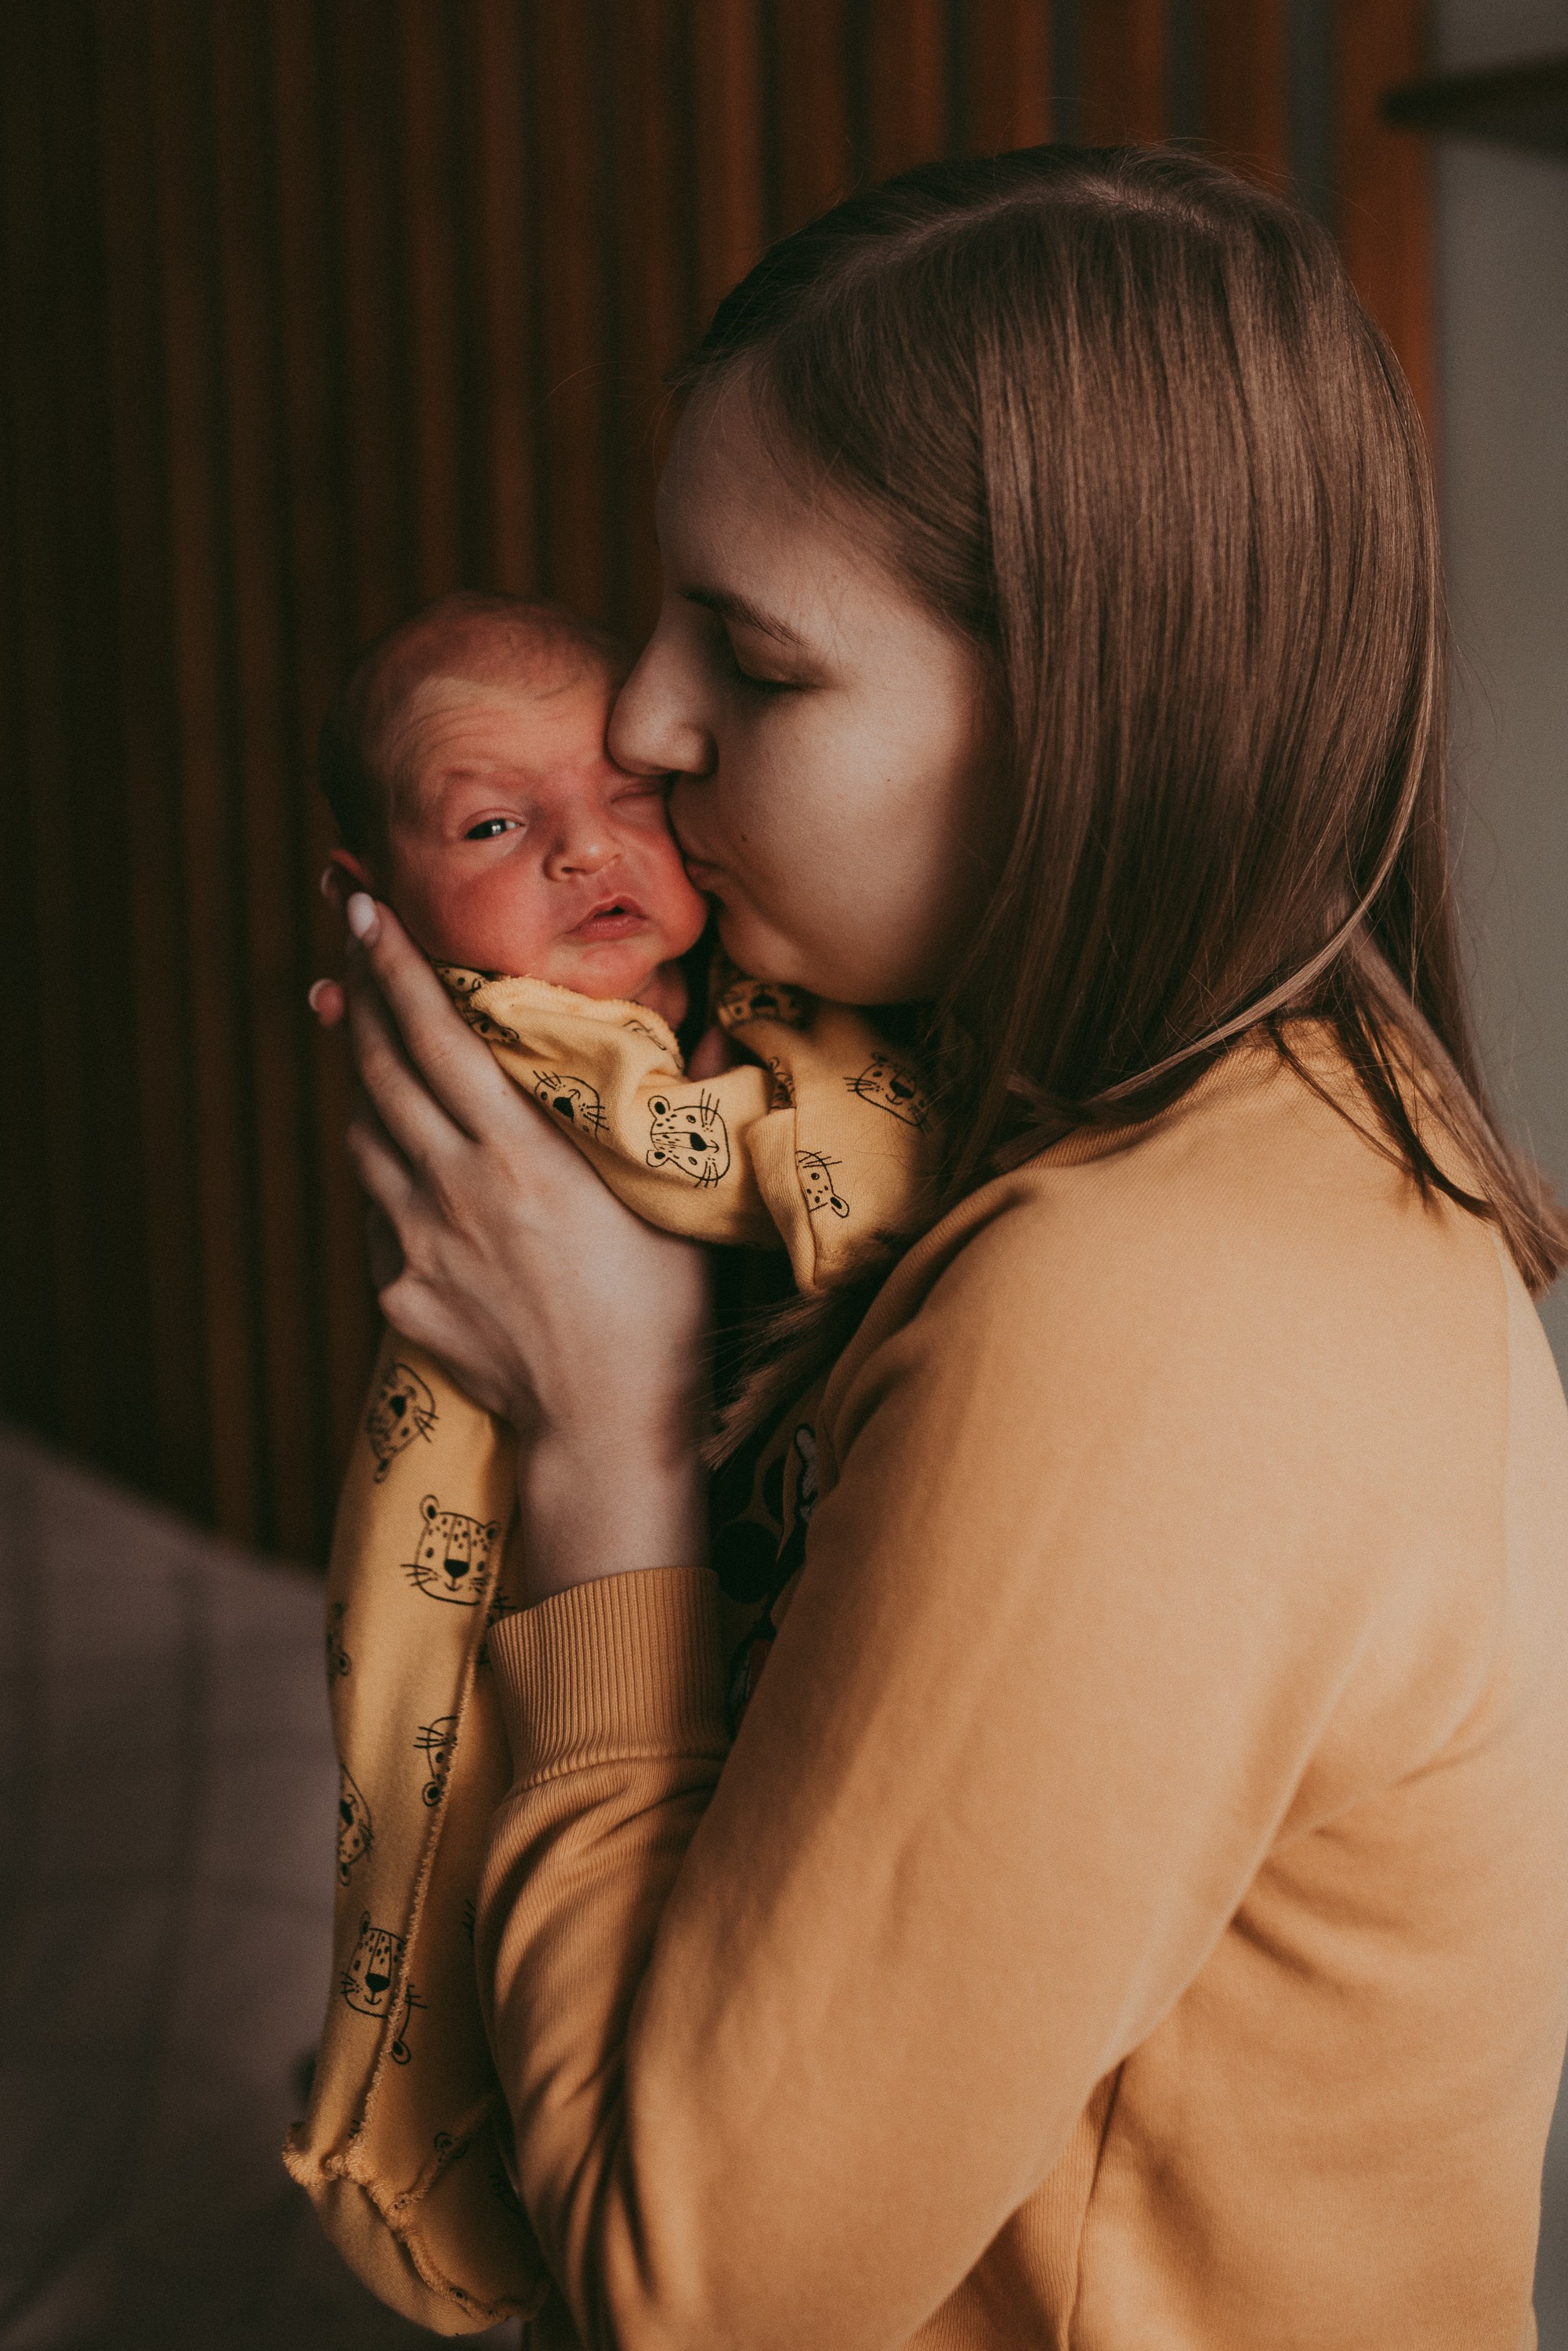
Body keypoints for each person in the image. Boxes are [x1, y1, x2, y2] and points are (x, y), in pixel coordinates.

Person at [311, 147, 1568, 2350]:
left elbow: (700, 2305)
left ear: (1088, 719)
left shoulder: (1153, 1321)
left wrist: (597, 1429)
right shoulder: (1251, 1129)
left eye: (763, 670)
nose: (646, 726)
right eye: (664, 614)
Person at [288, 591, 940, 2326]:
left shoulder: (741, 990)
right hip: (490, 1549)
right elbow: (692, 1159)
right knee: (451, 1848)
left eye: (629, 795)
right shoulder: (496, 1036)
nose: (588, 854)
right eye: (496, 825)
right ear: (376, 906)